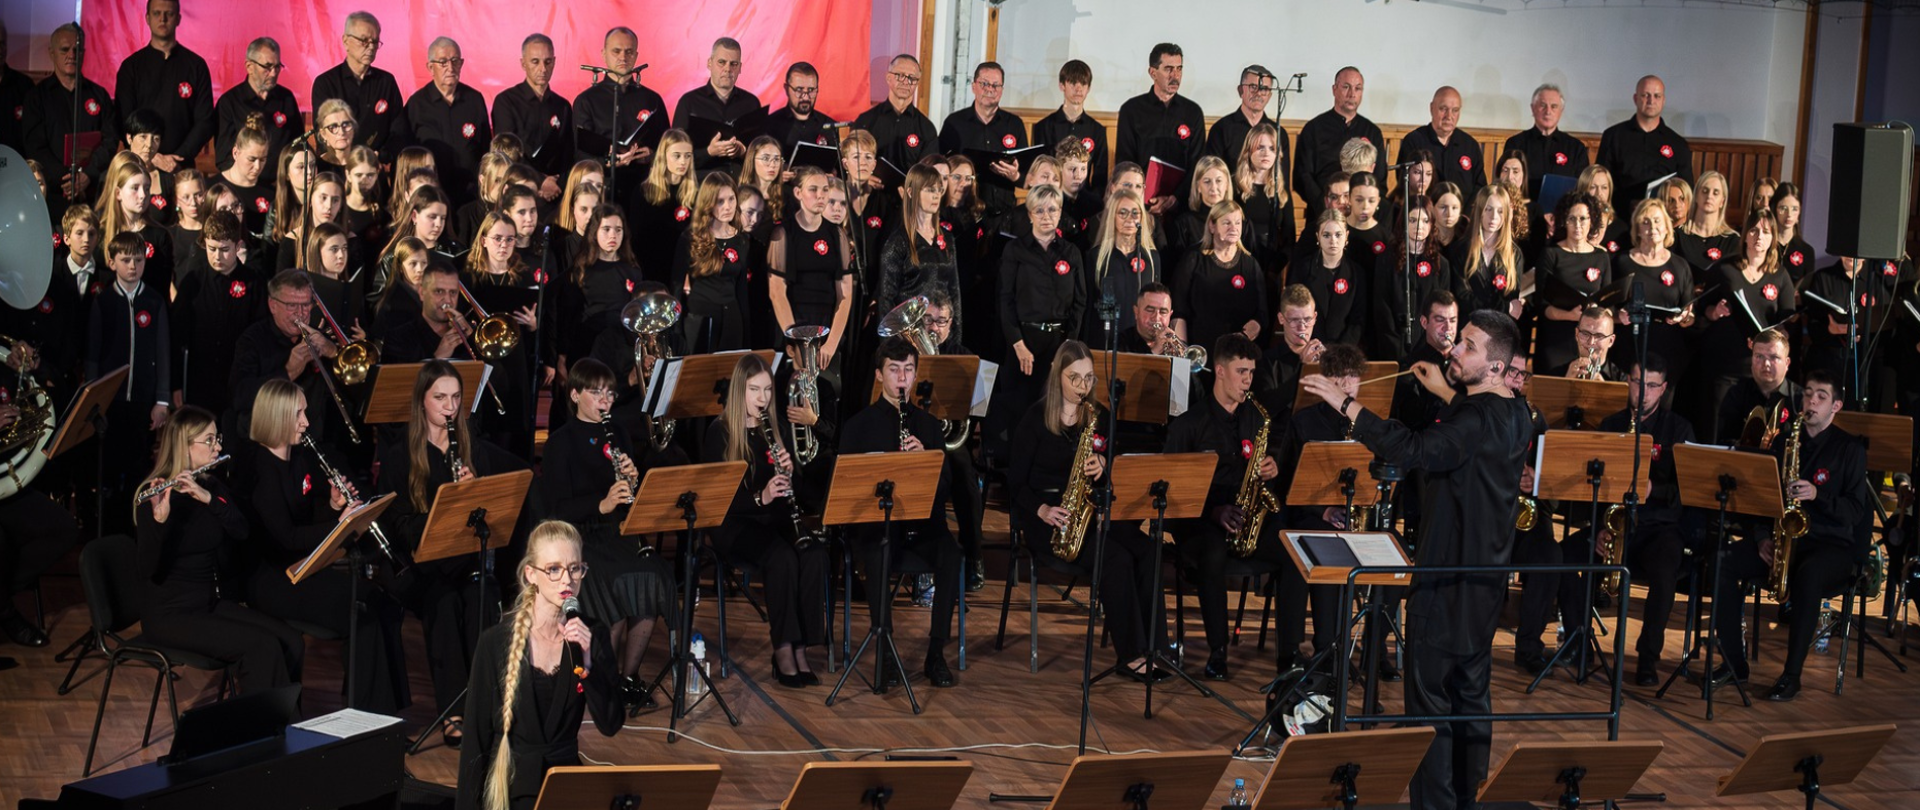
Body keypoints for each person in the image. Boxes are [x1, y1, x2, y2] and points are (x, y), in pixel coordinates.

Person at [1302, 309, 1531, 810]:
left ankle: (1435, 805)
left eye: (1468, 346)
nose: (1453, 350)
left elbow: (1414, 448)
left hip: (1445, 580)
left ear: (1494, 367)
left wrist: (1349, 406)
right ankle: (1466, 798)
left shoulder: (1471, 420)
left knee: (1428, 705)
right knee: (1472, 699)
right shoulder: (1518, 412)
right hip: (1488, 581)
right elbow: (1476, 430)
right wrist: (1446, 391)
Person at [377, 360, 529, 749]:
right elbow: (399, 525)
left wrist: (476, 493)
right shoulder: (399, 456)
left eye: (456, 397)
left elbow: (495, 518)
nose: (449, 407)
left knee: (483, 596)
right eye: (439, 397)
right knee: (443, 604)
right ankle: (453, 712)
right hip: (419, 566)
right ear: (422, 402)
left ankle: (487, 704)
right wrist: (446, 509)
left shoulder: (473, 449)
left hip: (465, 561)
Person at [239, 379, 409, 711]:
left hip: (304, 567)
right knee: (362, 611)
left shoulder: (299, 458)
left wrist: (332, 506)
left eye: (304, 412)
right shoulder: (260, 469)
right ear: (276, 416)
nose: (305, 421)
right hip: (274, 579)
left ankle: (390, 712)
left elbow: (304, 518)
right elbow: (284, 538)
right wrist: (339, 523)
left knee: (384, 602)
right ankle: (367, 717)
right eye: (297, 414)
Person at [1007, 340, 1163, 678]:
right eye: (1074, 378)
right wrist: (1043, 510)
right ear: (1057, 376)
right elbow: (1015, 483)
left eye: (1089, 378)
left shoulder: (1099, 416)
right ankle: (1131, 655)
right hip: (1049, 516)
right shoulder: (1035, 418)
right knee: (1116, 558)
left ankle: (1157, 647)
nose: (1083, 387)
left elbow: (1113, 470)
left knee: (1148, 550)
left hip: (1089, 507)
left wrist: (1104, 463)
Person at [1712, 371, 1870, 701]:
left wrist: (1817, 496)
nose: (1811, 401)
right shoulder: (1785, 442)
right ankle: (1733, 663)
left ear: (1836, 406)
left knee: (1809, 575)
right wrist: (1760, 538)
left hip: (1831, 545)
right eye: (1808, 394)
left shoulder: (1849, 449)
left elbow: (1855, 511)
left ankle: (1791, 675)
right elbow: (1760, 500)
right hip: (1783, 538)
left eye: (1820, 396)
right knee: (1721, 563)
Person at [136, 406, 305, 694]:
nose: (218, 447)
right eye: (209, 441)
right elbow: (148, 569)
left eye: (218, 439)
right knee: (260, 647)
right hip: (171, 615)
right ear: (184, 446)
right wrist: (159, 522)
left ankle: (285, 726)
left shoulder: (210, 485)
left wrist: (209, 499)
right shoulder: (155, 498)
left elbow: (241, 530)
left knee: (291, 640)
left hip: (207, 604)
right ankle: (262, 733)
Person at [537, 359, 673, 711]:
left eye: (610, 393)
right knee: (614, 585)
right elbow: (555, 510)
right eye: (596, 392)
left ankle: (628, 678)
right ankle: (603, 683)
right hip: (579, 540)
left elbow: (630, 500)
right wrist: (601, 504)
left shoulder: (620, 434)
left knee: (653, 576)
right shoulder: (559, 443)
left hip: (618, 532)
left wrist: (632, 480)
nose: (605, 400)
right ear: (576, 394)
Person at [458, 520, 620, 810]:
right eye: (554, 569)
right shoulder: (494, 642)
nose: (567, 580)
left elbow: (610, 724)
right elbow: (475, 742)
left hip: (565, 785)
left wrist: (588, 663)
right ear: (531, 574)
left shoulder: (591, 635)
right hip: (512, 787)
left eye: (575, 568)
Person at [1164, 332, 1293, 680]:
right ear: (1219, 371)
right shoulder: (1189, 425)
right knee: (1212, 552)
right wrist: (1213, 512)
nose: (1248, 380)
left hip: (1246, 515)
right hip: (1200, 518)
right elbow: (1173, 493)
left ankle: (1290, 655)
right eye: (1241, 372)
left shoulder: (1256, 417)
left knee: (1293, 549)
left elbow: (1266, 467)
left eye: (1251, 372)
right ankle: (1217, 650)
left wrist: (1273, 469)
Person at [702, 354, 832, 687]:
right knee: (782, 557)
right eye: (754, 390)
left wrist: (790, 473)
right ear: (738, 392)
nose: (762, 399)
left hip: (772, 518)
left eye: (767, 390)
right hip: (734, 524)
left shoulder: (773, 431)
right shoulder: (719, 434)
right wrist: (761, 496)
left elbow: (800, 493)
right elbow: (720, 500)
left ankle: (802, 644)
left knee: (814, 553)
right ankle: (784, 648)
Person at [842, 337, 965, 685]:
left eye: (908, 370)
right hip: (879, 529)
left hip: (923, 528)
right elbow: (847, 489)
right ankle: (885, 650)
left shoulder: (928, 426)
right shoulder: (859, 426)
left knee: (951, 556)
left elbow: (945, 490)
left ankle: (936, 652)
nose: (902, 379)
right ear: (880, 376)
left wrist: (925, 461)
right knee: (880, 552)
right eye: (894, 370)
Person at [1274, 342, 1372, 661]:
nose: (1348, 386)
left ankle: (1367, 653)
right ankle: (1323, 649)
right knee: (1327, 544)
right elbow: (1289, 482)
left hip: (1353, 516)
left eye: (1353, 378)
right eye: (1342, 378)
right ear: (1329, 380)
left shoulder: (1366, 423)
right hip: (1311, 516)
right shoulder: (1304, 422)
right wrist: (1323, 509)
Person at [87, 232, 173, 527]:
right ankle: (108, 527)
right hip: (111, 403)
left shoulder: (154, 300)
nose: (133, 266)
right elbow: (92, 357)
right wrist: (94, 401)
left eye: (138, 260)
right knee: (110, 467)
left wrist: (162, 400)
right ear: (112, 263)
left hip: (142, 401)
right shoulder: (104, 302)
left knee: (138, 466)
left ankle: (135, 528)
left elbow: (163, 353)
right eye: (126, 260)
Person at [1696, 207, 1793, 429]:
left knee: (1752, 432)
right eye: (1754, 231)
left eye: (1766, 232)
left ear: (1773, 238)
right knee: (1717, 427)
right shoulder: (1725, 268)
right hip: (1725, 365)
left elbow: (1787, 321)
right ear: (1745, 234)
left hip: (1760, 372)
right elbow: (1703, 308)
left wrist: (1781, 334)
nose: (1759, 237)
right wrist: (1715, 311)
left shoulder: (1780, 275)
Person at [171, 212, 264, 416]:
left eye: (224, 250)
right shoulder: (193, 281)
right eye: (211, 249)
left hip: (239, 382)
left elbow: (260, 334)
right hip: (199, 382)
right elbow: (177, 336)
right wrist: (176, 384)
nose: (217, 257)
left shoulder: (253, 283)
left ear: (238, 246)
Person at [22, 24, 120, 213]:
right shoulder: (36, 97)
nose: (72, 55)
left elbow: (110, 140)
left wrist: (88, 174)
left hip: (93, 194)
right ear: (52, 53)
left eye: (77, 49)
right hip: (52, 194)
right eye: (65, 49)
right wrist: (68, 179)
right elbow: (34, 145)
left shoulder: (99, 95)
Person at [769, 167, 855, 371]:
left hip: (826, 326)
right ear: (798, 193)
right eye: (813, 190)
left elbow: (845, 293)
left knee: (826, 396)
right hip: (792, 325)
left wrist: (831, 343)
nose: (820, 196)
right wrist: (798, 342)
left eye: (825, 190)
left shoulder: (837, 234)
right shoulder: (783, 234)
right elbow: (776, 292)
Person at [113, 0, 211, 177]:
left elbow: (205, 121)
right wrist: (152, 155)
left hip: (181, 167)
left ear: (179, 19)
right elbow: (124, 120)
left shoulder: (196, 66)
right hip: (140, 167)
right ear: (147, 19)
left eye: (169, 14)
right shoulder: (131, 67)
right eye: (157, 13)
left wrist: (178, 157)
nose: (163, 19)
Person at [573, 28, 669, 203]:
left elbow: (668, 147)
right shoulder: (586, 100)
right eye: (616, 51)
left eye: (629, 51)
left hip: (645, 189)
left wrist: (651, 155)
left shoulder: (652, 99)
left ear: (636, 55)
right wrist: (608, 161)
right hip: (601, 191)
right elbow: (579, 154)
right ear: (604, 54)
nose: (623, 57)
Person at [1115, 43, 1205, 217]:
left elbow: (1197, 164)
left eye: (1179, 69)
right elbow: (1124, 162)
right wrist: (1141, 197)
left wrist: (1174, 198)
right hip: (1139, 206)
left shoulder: (1193, 112)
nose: (1175, 76)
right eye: (1168, 69)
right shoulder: (1131, 110)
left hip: (1182, 208)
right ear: (1152, 73)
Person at [1613, 199, 1696, 379]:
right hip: (1630, 345)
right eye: (1646, 222)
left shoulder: (1680, 265)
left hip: (1667, 348)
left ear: (1667, 226)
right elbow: (1607, 308)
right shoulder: (1622, 263)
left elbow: (1690, 314)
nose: (1652, 227)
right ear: (1637, 229)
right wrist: (1619, 317)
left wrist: (1683, 317)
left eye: (1657, 221)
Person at [670, 172, 753, 352]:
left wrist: (746, 332)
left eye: (731, 199)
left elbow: (741, 290)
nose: (728, 207)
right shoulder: (690, 238)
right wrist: (676, 332)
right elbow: (676, 287)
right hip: (700, 318)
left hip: (732, 318)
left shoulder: (741, 240)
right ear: (708, 203)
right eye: (720, 201)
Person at [311, 11, 408, 163]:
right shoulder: (326, 83)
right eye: (364, 41)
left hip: (374, 167)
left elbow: (398, 130)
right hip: (337, 169)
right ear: (345, 41)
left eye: (375, 42)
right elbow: (321, 133)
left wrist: (381, 156)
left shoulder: (386, 82)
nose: (370, 47)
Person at [406, 37, 491, 208]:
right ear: (431, 67)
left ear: (462, 63)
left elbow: (486, 148)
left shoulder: (474, 99)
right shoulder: (416, 104)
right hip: (431, 198)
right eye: (443, 62)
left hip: (471, 196)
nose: (450, 68)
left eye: (455, 61)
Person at [1295, 67, 1384, 225]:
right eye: (1346, 87)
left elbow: (1379, 178)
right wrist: (1326, 205)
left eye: (1358, 88)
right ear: (1334, 90)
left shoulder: (1373, 132)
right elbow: (1303, 176)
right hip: (1321, 213)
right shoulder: (1313, 129)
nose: (1352, 94)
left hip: (1361, 217)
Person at [1535, 193, 1611, 375]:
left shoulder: (1601, 257)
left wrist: (1596, 312)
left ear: (1592, 221)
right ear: (1564, 221)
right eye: (1572, 219)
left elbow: (1609, 305)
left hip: (1589, 342)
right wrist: (1570, 315)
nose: (1578, 225)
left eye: (1583, 219)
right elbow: (1541, 304)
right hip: (1556, 339)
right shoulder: (1551, 254)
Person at [940, 62, 1027, 219]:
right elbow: (941, 167)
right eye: (984, 84)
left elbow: (1027, 175)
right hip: (962, 213)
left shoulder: (1014, 124)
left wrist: (1015, 176)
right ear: (973, 86)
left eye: (995, 85)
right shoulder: (954, 123)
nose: (990, 89)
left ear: (1002, 90)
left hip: (1003, 212)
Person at [877, 164, 960, 325]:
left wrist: (955, 338)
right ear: (911, 192)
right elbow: (886, 298)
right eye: (929, 190)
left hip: (941, 331)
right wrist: (894, 346)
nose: (936, 196)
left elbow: (954, 293)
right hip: (911, 333)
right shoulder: (899, 241)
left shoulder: (947, 238)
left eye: (939, 190)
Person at [1371, 200, 1452, 364]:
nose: (1419, 226)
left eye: (1425, 221)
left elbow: (1442, 310)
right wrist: (1395, 345)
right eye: (1413, 220)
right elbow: (1381, 306)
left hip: (1427, 349)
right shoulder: (1387, 259)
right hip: (1392, 347)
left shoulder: (1441, 264)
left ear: (1432, 225)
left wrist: (1427, 345)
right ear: (1404, 223)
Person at [491, 35, 571, 200]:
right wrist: (540, 181)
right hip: (518, 191)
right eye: (535, 62)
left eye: (547, 62)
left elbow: (568, 152)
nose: (542, 68)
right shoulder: (506, 101)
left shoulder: (562, 105)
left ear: (554, 62)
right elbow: (506, 154)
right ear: (523, 63)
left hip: (556, 193)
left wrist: (558, 183)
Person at [1597, 75, 1692, 212]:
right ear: (1636, 99)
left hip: (1664, 221)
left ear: (1663, 100)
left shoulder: (1678, 144)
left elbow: (1687, 189)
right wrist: (1627, 204)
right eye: (1645, 95)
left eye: (1657, 96)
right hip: (1620, 218)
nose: (1651, 101)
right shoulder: (1613, 136)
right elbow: (1601, 182)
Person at [673, 37, 763, 178]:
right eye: (721, 62)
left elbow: (762, 153)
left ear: (740, 68)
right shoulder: (689, 102)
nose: (728, 69)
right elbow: (674, 155)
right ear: (710, 63)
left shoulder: (752, 103)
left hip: (741, 185)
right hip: (701, 185)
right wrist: (708, 152)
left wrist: (743, 152)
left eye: (734, 64)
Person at [1085, 189, 1160, 340]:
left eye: (1135, 213)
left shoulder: (1151, 257)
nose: (1129, 219)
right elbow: (1087, 308)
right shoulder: (1097, 257)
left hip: (1140, 343)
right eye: (1122, 213)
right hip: (1104, 341)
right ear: (1112, 217)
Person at [851, 54, 939, 171]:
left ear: (917, 83)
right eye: (900, 75)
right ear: (888, 78)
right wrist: (865, 178)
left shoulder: (926, 128)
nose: (906, 82)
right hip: (870, 188)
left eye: (911, 78)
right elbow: (851, 160)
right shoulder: (866, 121)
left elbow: (928, 173)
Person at [1032, 60, 1107, 196]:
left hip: (1086, 202)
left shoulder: (1098, 130)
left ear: (1088, 88)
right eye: (1073, 83)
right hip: (1052, 199)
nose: (1078, 89)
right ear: (1062, 85)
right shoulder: (1043, 127)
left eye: (1083, 84)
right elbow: (1040, 171)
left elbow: (1100, 177)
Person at [1716, 328, 1801, 446]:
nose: (1766, 364)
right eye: (1759, 356)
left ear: (1787, 363)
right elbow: (1723, 441)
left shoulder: (1800, 399)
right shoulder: (1736, 393)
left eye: (1774, 357)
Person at [1400, 87, 1485, 205]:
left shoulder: (1470, 146)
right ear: (1431, 108)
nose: (1449, 116)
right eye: (1443, 109)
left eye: (1455, 110)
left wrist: (1465, 217)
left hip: (1463, 218)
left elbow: (1480, 187)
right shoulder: (1414, 141)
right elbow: (1405, 183)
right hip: (1425, 216)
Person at [1503, 84, 1590, 200]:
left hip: (1563, 214)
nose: (1548, 111)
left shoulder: (1576, 148)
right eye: (1542, 105)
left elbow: (1583, 189)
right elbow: (1507, 185)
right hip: (1524, 213)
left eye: (1554, 106)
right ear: (1533, 108)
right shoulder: (1515, 144)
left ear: (1561, 111)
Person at [1672, 172, 1740, 276]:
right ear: (1696, 196)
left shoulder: (1732, 240)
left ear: (1722, 201)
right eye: (1705, 191)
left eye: (1715, 193)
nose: (1709, 196)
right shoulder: (1677, 236)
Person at [764, 62, 839, 155]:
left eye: (811, 90)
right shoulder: (769, 125)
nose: (805, 97)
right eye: (799, 90)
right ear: (787, 89)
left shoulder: (831, 127)